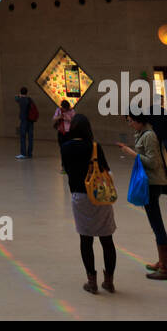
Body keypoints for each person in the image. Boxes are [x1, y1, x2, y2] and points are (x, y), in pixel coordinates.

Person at [61, 114, 116, 293]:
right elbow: (106, 170)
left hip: (79, 196)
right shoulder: (95, 146)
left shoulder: (66, 147)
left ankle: (91, 282)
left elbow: (67, 169)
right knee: (107, 240)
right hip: (99, 195)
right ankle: (109, 281)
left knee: (86, 240)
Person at [117, 110, 167, 280]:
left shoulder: (148, 136)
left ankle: (166, 268)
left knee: (157, 223)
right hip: (150, 183)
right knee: (155, 223)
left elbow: (153, 162)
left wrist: (132, 153)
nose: (130, 124)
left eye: (131, 121)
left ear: (139, 120)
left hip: (153, 183)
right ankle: (163, 262)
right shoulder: (142, 134)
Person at [14, 86, 35, 160]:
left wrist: (19, 95)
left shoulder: (20, 100)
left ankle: (23, 153)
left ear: (21, 92)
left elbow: (15, 97)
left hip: (24, 120)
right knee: (30, 138)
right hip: (31, 120)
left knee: (23, 137)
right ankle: (29, 153)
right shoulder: (29, 99)